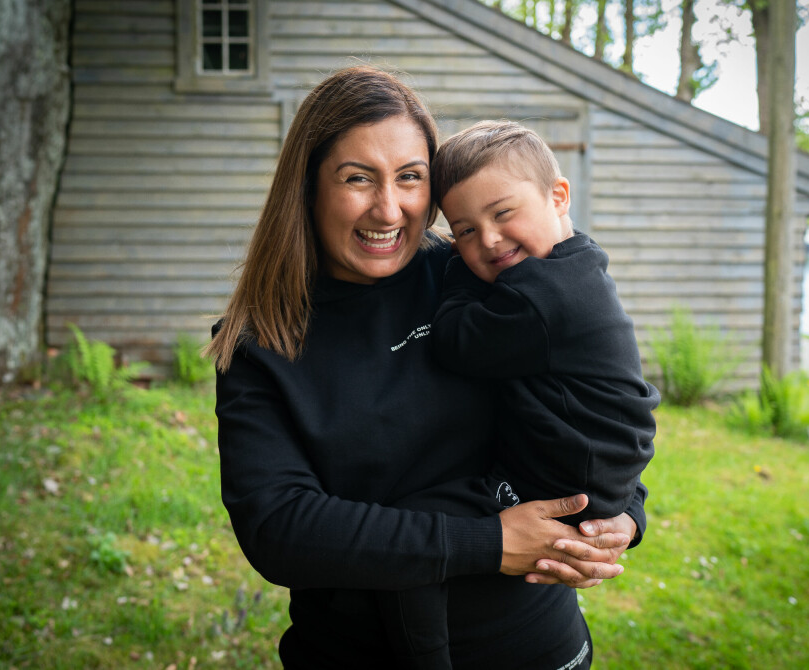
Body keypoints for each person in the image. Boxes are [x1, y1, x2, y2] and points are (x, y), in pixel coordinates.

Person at [205, 65, 647, 669]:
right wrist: (488, 543)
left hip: (531, 643)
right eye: (358, 178)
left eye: (410, 178)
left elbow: (587, 390)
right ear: (307, 187)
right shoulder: (262, 341)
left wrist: (620, 513)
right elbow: (279, 529)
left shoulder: (471, 274)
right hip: (357, 651)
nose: (389, 210)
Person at [381, 120, 659, 668]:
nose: (487, 240)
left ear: (558, 196)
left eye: (503, 213)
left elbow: (456, 342)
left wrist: (457, 271)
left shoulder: (540, 298)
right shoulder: (577, 266)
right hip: (600, 469)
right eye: (462, 231)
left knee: (420, 521)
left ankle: (426, 658)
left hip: (562, 484)